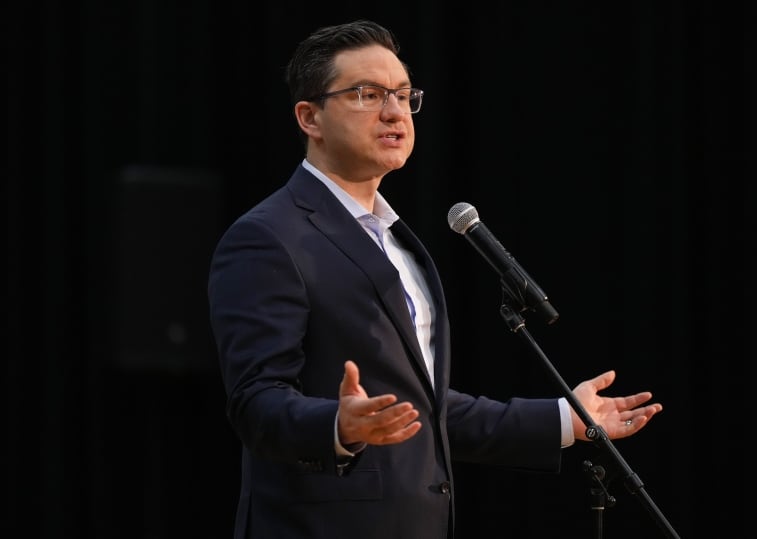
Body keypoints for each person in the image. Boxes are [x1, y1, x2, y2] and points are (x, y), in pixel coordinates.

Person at [207, 19, 663, 539]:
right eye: (366, 94)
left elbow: (421, 407)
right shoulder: (268, 238)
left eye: (403, 95)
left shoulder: (398, 241)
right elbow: (256, 401)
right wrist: (339, 426)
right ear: (309, 117)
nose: (394, 111)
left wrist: (564, 420)